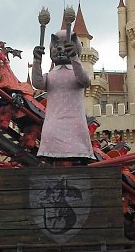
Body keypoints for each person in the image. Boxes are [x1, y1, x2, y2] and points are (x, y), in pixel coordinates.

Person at [32, 29, 94, 163]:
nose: (60, 49)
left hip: (75, 123)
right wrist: (36, 61)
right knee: (52, 156)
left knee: (77, 156)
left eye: (65, 45)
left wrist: (74, 58)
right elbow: (37, 83)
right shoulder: (51, 75)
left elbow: (84, 81)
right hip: (53, 123)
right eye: (56, 46)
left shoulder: (77, 73)